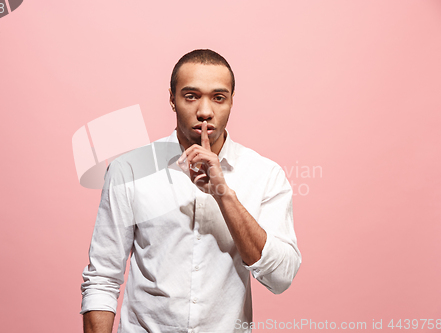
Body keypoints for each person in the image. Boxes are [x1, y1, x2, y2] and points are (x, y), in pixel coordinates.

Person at [80, 49, 301, 333]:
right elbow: (102, 278)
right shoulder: (130, 170)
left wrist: (223, 194)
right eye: (191, 96)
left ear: (232, 101)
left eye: (218, 97)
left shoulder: (265, 174)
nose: (205, 111)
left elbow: (281, 277)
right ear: (172, 99)